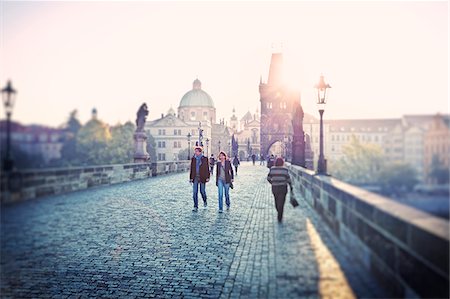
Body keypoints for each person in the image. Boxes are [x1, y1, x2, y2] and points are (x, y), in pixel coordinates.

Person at [267, 157, 292, 223]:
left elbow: (268, 178)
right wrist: (290, 184)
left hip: (275, 188)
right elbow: (288, 179)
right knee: (282, 202)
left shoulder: (272, 169)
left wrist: (272, 183)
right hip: (283, 187)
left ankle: (279, 211)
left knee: (276, 200)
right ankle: (280, 215)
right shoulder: (285, 170)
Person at [190, 146, 210, 212]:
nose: (195, 152)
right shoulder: (193, 159)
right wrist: (191, 178)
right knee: (194, 192)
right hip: (195, 177)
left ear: (200, 152)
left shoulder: (205, 159)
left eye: (196, 151)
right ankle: (195, 206)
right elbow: (192, 169)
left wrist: (208, 177)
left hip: (202, 177)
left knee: (202, 191)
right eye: (195, 151)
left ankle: (205, 201)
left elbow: (207, 168)